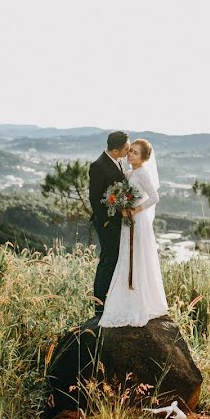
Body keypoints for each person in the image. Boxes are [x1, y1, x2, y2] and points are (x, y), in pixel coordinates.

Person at [98, 138, 169, 327]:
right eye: (130, 151)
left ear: (144, 158)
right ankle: (125, 300)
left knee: (138, 258)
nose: (130, 154)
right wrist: (121, 207)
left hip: (139, 221)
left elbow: (155, 197)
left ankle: (141, 301)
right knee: (126, 257)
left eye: (135, 153)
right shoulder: (129, 173)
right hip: (127, 221)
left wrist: (136, 210)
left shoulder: (143, 173)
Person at [89, 131, 130, 318]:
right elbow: (94, 198)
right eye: (126, 148)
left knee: (114, 259)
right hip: (106, 223)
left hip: (117, 221)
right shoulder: (98, 166)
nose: (129, 151)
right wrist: (105, 220)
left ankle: (110, 298)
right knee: (107, 260)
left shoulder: (119, 161)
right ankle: (99, 303)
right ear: (115, 150)